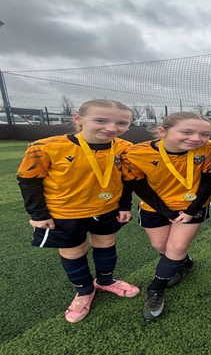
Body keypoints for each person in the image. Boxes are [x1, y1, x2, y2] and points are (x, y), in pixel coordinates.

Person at [16, 99, 140, 323]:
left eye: (122, 123)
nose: (111, 127)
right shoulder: (44, 146)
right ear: (78, 118)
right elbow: (29, 182)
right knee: (73, 252)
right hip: (64, 213)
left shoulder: (125, 148)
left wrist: (124, 206)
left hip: (107, 209)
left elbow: (127, 181)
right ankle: (84, 291)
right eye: (101, 120)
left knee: (105, 244)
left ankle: (105, 282)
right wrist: (39, 215)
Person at [122, 111, 211, 321]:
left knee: (176, 248)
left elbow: (209, 181)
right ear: (162, 130)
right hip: (155, 206)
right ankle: (186, 265)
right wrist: (165, 211)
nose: (196, 139)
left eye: (204, 134)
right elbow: (138, 184)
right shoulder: (136, 152)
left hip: (193, 205)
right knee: (161, 247)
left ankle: (155, 288)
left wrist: (191, 210)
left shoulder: (209, 148)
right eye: (187, 132)